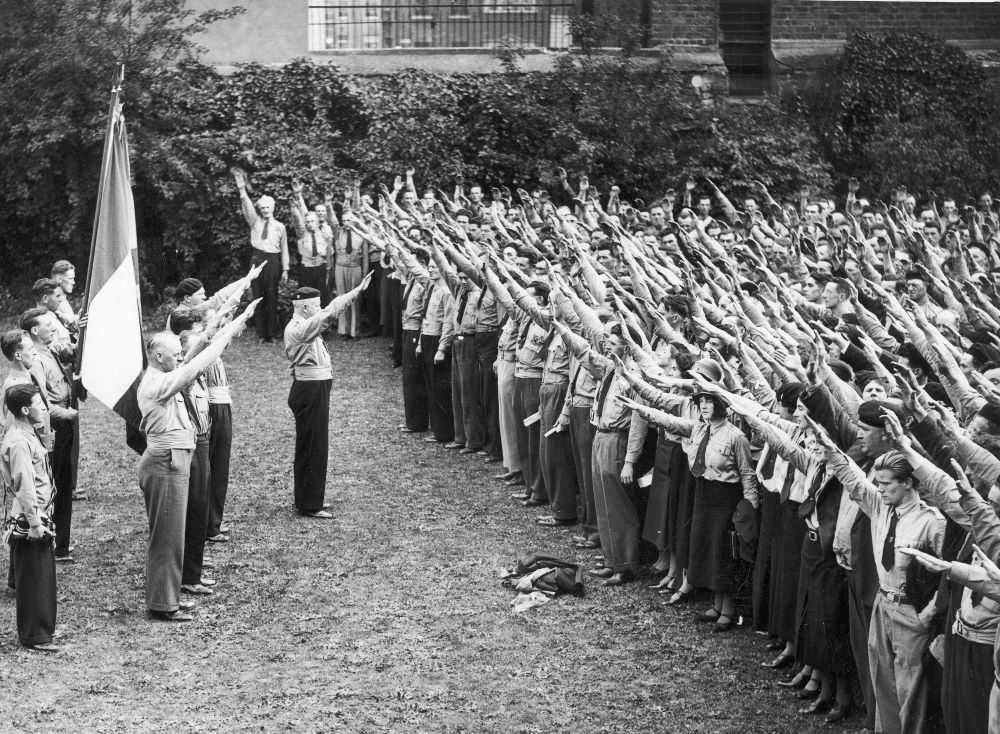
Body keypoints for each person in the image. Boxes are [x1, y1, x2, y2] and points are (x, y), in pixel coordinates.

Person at [137, 301, 257, 621]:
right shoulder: (158, 382)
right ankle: (163, 604)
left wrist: (227, 329)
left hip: (172, 459)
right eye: (175, 354)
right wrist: (228, 331)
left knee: (174, 534)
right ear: (158, 356)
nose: (180, 358)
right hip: (166, 461)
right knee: (166, 537)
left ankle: (170, 597)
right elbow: (194, 366)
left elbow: (190, 361)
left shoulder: (162, 373)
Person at [284, 276, 371, 518]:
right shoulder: (300, 328)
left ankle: (309, 498)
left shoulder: (303, 325)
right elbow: (328, 315)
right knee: (313, 446)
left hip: (313, 387)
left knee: (313, 445)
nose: (320, 309)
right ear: (304, 307)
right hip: (310, 389)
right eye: (316, 305)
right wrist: (354, 293)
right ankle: (310, 504)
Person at [1, 384, 59, 652]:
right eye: (40, 404)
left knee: (42, 577)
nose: (45, 409)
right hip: (29, 518)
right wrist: (35, 523)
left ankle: (42, 630)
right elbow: (24, 485)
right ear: (25, 410)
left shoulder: (26, 432)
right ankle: (35, 635)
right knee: (35, 580)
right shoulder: (18, 441)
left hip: (38, 514)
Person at [20, 308, 77, 562]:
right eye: (48, 324)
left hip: (64, 425)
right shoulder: (36, 361)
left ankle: (61, 544)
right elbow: (42, 406)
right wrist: (68, 414)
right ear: (34, 330)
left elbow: (72, 352)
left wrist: (82, 329)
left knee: (64, 484)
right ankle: (54, 544)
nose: (53, 327)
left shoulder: (49, 350)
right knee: (55, 486)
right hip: (54, 429)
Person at [233, 168, 288, 343]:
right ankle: (260, 334)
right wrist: (242, 190)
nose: (265, 210)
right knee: (257, 297)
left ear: (273, 207)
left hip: (273, 261)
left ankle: (271, 333)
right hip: (256, 260)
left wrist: (286, 269)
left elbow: (284, 248)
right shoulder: (254, 222)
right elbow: (247, 207)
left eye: (268, 207)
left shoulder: (280, 227)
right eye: (262, 207)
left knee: (272, 297)